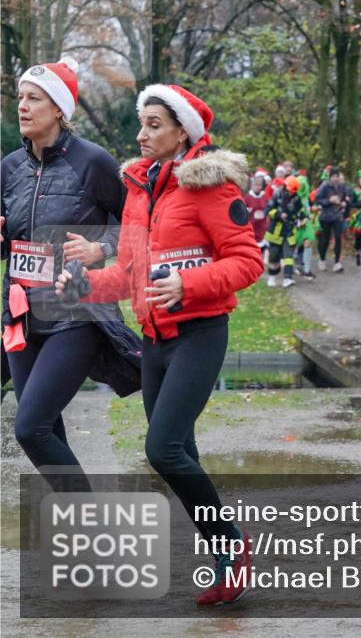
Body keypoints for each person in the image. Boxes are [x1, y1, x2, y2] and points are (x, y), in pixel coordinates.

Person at [57, 83, 263, 605]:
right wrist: (85, 285)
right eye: (141, 123)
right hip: (154, 341)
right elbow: (129, 275)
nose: (142, 133)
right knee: (180, 450)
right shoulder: (138, 190)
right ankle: (225, 557)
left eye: (154, 124)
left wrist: (187, 286)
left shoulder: (211, 188)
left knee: (162, 448)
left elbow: (248, 262)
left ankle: (232, 547)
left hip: (200, 334)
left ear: (181, 133)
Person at [2, 56, 132, 491]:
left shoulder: (93, 162)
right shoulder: (9, 168)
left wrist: (102, 247)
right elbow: (10, 240)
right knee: (47, 431)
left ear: (59, 108)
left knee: (30, 427)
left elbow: (136, 222)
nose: (22, 106)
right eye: (21, 97)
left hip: (76, 313)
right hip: (21, 313)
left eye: (34, 98)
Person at [264, 176, 305, 288]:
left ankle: (287, 278)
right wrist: (278, 214)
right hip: (276, 231)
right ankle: (272, 277)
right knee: (274, 255)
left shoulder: (297, 198)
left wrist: (302, 217)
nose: (291, 193)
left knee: (288, 256)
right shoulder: (277, 194)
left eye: (293, 192)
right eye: (290, 191)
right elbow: (268, 210)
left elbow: (301, 211)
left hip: (289, 230)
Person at [316, 167, 352, 272]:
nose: (335, 179)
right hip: (326, 216)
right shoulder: (324, 186)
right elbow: (318, 200)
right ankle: (322, 259)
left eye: (337, 176)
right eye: (333, 177)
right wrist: (329, 200)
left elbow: (347, 196)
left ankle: (337, 262)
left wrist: (345, 202)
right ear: (330, 177)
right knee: (325, 239)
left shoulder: (342, 186)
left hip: (337, 216)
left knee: (338, 238)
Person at [244, 173, 270, 256]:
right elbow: (243, 213)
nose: (257, 187)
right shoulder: (248, 197)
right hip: (252, 228)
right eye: (256, 185)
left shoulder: (265, 196)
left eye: (259, 185)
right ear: (252, 186)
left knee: (261, 251)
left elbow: (269, 209)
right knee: (252, 252)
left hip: (263, 228)